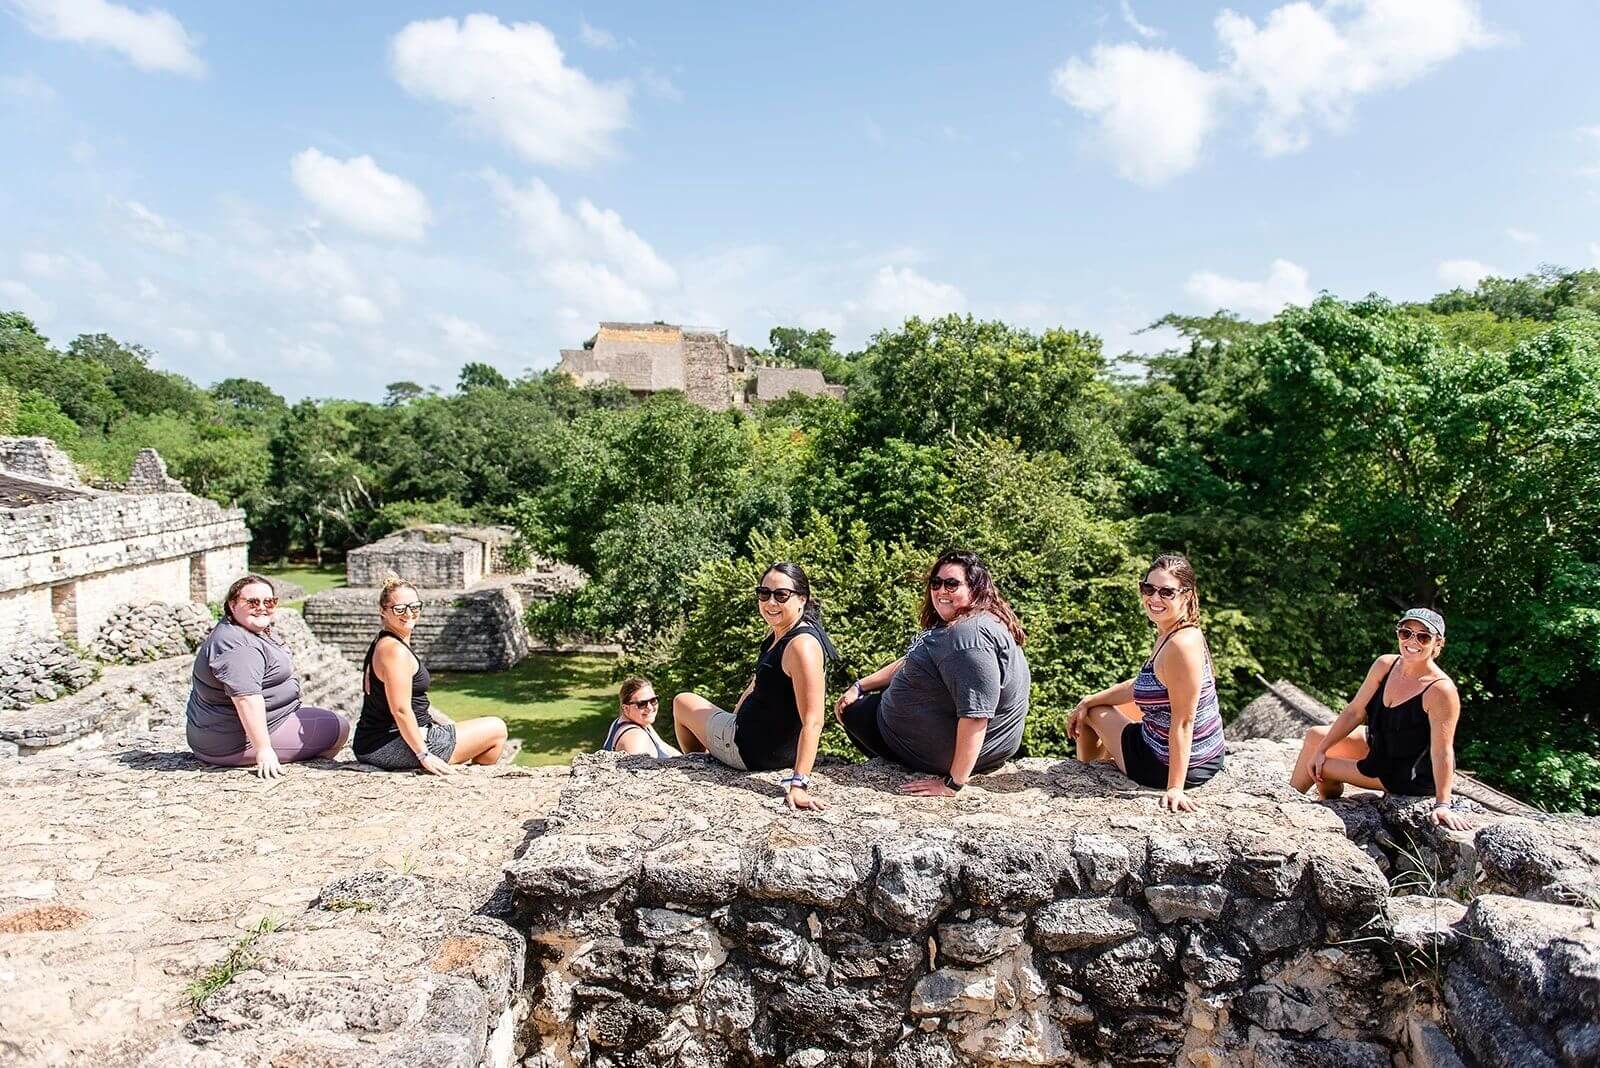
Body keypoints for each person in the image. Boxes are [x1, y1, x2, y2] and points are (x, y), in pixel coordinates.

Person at [834, 550, 1030, 797]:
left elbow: (976, 714)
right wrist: (860, 685)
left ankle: (909, 762)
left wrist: (952, 784)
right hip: (970, 744)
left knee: (851, 712)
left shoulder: (968, 639)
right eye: (935, 583)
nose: (941, 591)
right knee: (858, 700)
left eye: (952, 584)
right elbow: (913, 660)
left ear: (976, 588)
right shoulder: (970, 622)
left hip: (957, 754)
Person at [1068, 553, 1226, 813]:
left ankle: (1086, 776)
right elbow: (1143, 685)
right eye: (1148, 588)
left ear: (1186, 595)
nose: (1154, 598)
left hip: (1169, 765)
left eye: (1166, 592)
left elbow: (1183, 720)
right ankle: (1097, 768)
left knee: (1091, 716)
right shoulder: (1175, 630)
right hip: (1207, 752)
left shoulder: (1180, 645)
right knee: (1094, 705)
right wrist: (1089, 698)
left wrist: (1175, 787)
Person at [673, 562, 837, 811]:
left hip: (748, 750)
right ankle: (708, 757)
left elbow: (813, 721)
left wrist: (799, 785)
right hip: (772, 749)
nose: (771, 603)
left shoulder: (801, 647)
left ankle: (701, 761)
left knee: (682, 702)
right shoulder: (786, 634)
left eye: (781, 595)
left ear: (802, 599)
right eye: (764, 593)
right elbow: (756, 686)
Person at [1289, 609, 1471, 830]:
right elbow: (1354, 711)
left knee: (1320, 767)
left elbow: (1442, 751)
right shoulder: (1385, 665)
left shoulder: (1440, 690)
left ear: (1438, 643)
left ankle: (1295, 804)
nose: (1412, 641)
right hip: (1383, 744)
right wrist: (1322, 748)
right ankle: (1298, 799)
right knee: (1315, 737)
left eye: (1423, 636)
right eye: (1406, 633)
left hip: (1406, 771)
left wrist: (1443, 803)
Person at [186, 574, 351, 779]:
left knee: (321, 720)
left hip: (222, 732)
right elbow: (246, 698)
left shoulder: (247, 630)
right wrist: (263, 750)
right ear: (232, 605)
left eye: (269, 602)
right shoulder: (238, 646)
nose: (262, 607)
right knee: (339, 728)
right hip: (232, 741)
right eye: (252, 602)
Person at [352, 575, 509, 774]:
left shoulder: (385, 641)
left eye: (415, 607)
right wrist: (423, 755)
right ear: (383, 610)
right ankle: (471, 779)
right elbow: (400, 710)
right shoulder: (394, 650)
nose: (408, 614)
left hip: (386, 741)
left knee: (486, 730)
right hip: (390, 744)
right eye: (399, 609)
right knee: (496, 730)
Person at [602, 677, 681, 759]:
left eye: (653, 700)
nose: (650, 708)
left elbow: (664, 747)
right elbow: (634, 770)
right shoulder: (635, 737)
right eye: (642, 704)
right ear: (625, 708)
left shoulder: (638, 723)